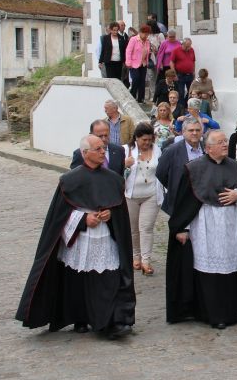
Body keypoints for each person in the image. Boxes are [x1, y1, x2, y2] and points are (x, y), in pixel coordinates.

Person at [16, 134, 136, 339]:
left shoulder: (114, 180)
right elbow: (59, 216)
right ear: (85, 153)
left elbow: (120, 213)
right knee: (78, 281)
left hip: (105, 238)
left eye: (103, 148)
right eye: (97, 149)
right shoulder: (70, 180)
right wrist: (83, 219)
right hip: (80, 240)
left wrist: (110, 214)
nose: (102, 152)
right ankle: (80, 319)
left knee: (108, 279)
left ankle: (109, 322)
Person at [165, 130, 237, 327]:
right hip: (205, 225)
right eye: (220, 142)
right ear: (208, 148)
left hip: (230, 225)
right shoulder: (194, 168)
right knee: (207, 269)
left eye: (226, 141)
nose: (225, 144)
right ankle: (210, 313)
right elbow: (184, 202)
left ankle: (229, 311)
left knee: (229, 267)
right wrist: (182, 228)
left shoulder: (234, 166)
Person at [123, 122, 164, 276]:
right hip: (131, 195)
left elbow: (161, 170)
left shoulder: (157, 150)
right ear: (136, 138)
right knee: (133, 229)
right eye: (143, 140)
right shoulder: (126, 150)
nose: (147, 143)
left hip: (151, 194)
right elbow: (115, 171)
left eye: (149, 140)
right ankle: (136, 257)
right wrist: (125, 165)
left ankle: (146, 260)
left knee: (146, 228)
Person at [156, 117, 204, 216]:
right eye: (191, 130)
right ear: (183, 132)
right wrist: (175, 185)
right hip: (180, 200)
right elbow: (160, 173)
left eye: (197, 130)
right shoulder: (171, 151)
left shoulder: (207, 148)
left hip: (203, 200)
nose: (195, 133)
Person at [125, 24, 151, 104]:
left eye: (147, 34)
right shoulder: (134, 39)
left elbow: (147, 52)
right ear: (140, 32)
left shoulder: (147, 41)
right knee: (136, 79)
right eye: (144, 33)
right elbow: (128, 51)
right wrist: (128, 62)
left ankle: (141, 99)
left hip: (143, 63)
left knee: (142, 81)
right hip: (134, 63)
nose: (145, 35)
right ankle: (132, 96)